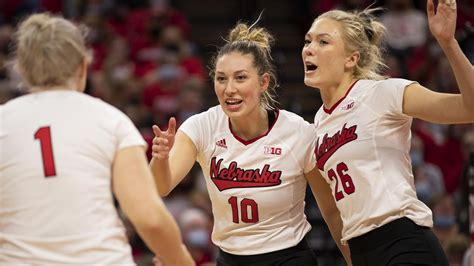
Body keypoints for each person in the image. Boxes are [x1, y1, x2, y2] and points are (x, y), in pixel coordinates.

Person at [150, 20, 351, 265]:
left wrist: (352, 261)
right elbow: (161, 187)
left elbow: (330, 211)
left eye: (241, 78)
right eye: (221, 79)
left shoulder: (298, 132)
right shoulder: (201, 126)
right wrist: (159, 159)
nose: (229, 89)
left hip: (289, 257)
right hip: (230, 258)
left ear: (263, 82)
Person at [0, 13, 194, 266]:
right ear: (83, 66)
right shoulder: (111, 120)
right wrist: (180, 260)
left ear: (22, 69)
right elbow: (149, 218)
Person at [301, 0, 473, 265]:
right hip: (362, 252)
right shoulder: (317, 126)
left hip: (404, 241)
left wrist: (448, 43)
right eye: (308, 41)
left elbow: (469, 108)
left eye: (323, 42)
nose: (309, 49)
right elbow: (334, 215)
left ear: (351, 58)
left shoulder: (383, 93)